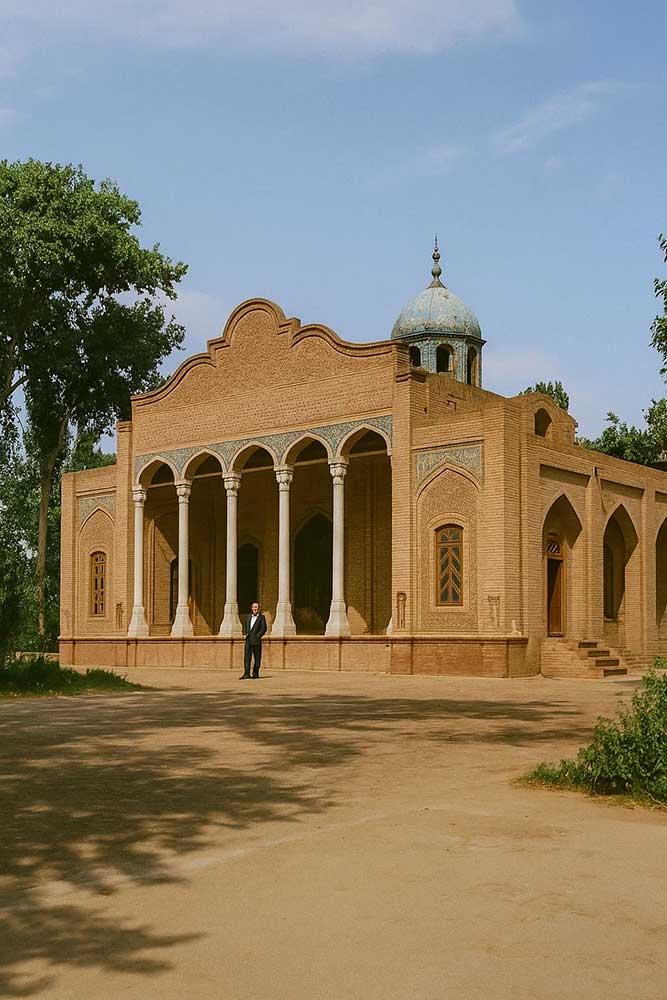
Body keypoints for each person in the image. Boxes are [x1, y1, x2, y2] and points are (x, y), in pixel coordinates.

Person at [240, 601, 267, 679]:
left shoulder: (262, 617)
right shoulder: (248, 617)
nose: (255, 609)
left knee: (257, 658)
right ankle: (246, 673)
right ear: (251, 608)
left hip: (256, 641)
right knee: (247, 657)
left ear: (259, 608)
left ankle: (255, 673)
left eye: (256, 607)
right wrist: (246, 633)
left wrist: (257, 636)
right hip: (248, 640)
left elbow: (263, 628)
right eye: (254, 607)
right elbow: (246, 626)